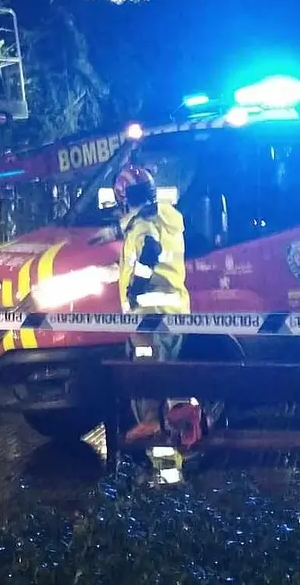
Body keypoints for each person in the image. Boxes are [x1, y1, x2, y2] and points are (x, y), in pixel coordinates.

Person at [114, 165, 200, 472]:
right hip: (175, 315)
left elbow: (149, 248)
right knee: (169, 384)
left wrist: (136, 286)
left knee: (147, 391)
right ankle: (181, 417)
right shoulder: (169, 219)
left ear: (123, 198)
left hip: (148, 321)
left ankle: (165, 477)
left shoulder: (143, 226)